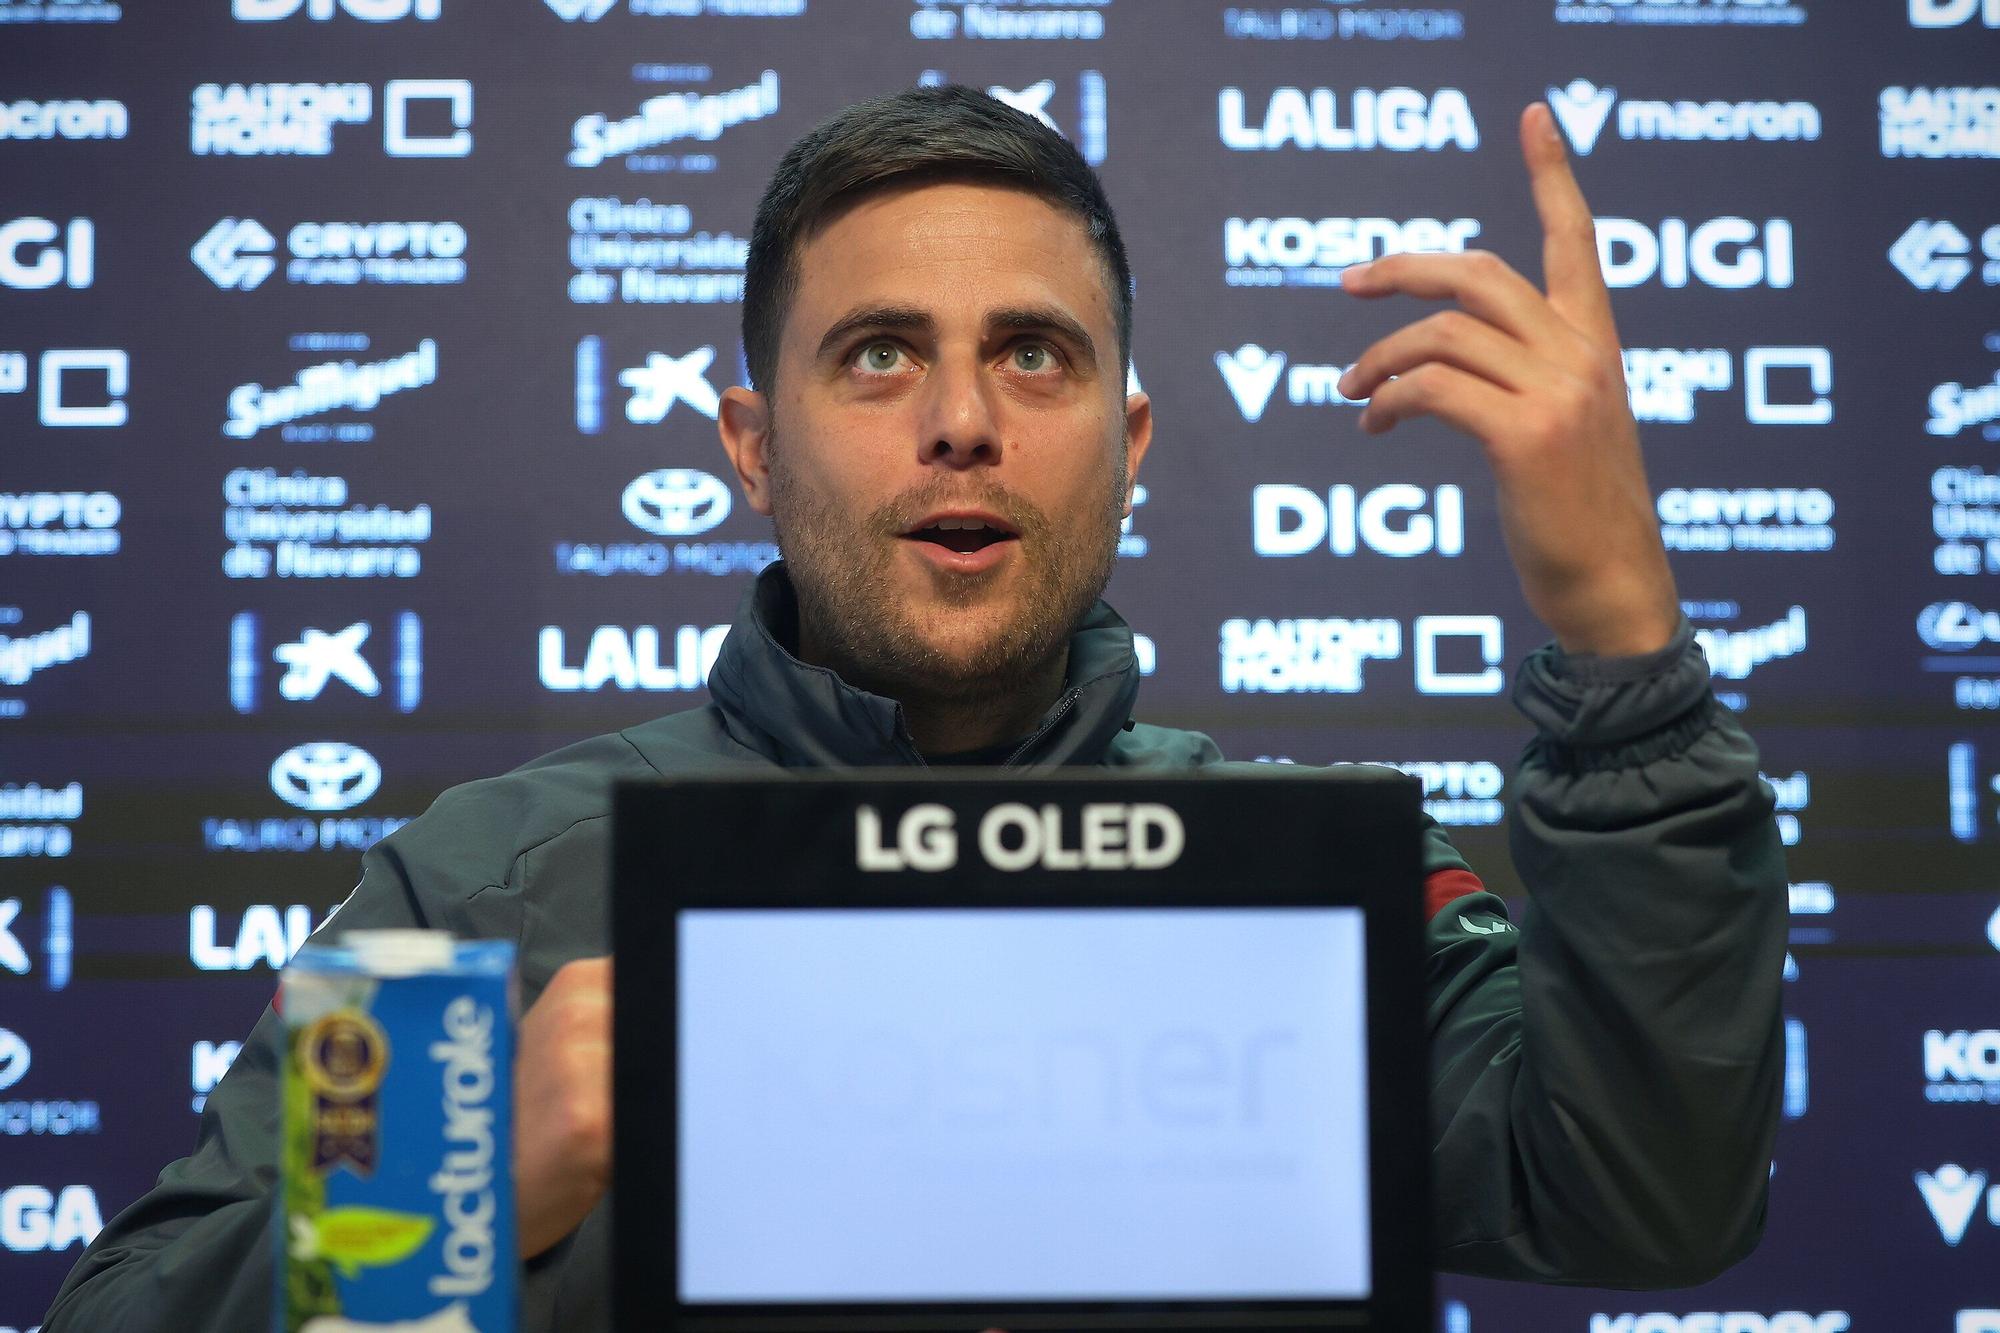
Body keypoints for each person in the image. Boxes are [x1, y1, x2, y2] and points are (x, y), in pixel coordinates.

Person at [45, 85, 1787, 1331]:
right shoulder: (489, 885)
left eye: (1037, 354)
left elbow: (1644, 1190)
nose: (963, 418)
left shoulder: (1305, 887)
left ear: (1131, 444)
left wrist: (1617, 617)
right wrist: (450, 1196)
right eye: (877, 352)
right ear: (751, 444)